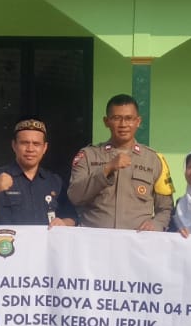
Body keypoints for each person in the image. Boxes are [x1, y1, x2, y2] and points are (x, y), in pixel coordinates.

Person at [68, 94, 173, 231]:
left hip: (137, 243)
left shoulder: (155, 160)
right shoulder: (88, 156)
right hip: (95, 243)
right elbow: (74, 196)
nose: (123, 124)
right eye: (116, 118)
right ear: (106, 121)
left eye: (129, 118)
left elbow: (166, 208)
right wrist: (107, 169)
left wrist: (157, 224)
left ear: (138, 121)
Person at [0, 119, 76, 226]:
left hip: (45, 247)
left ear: (44, 148)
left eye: (36, 144)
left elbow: (72, 216)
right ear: (14, 145)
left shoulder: (54, 182)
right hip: (7, 245)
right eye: (24, 143)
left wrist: (63, 223)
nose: (30, 149)